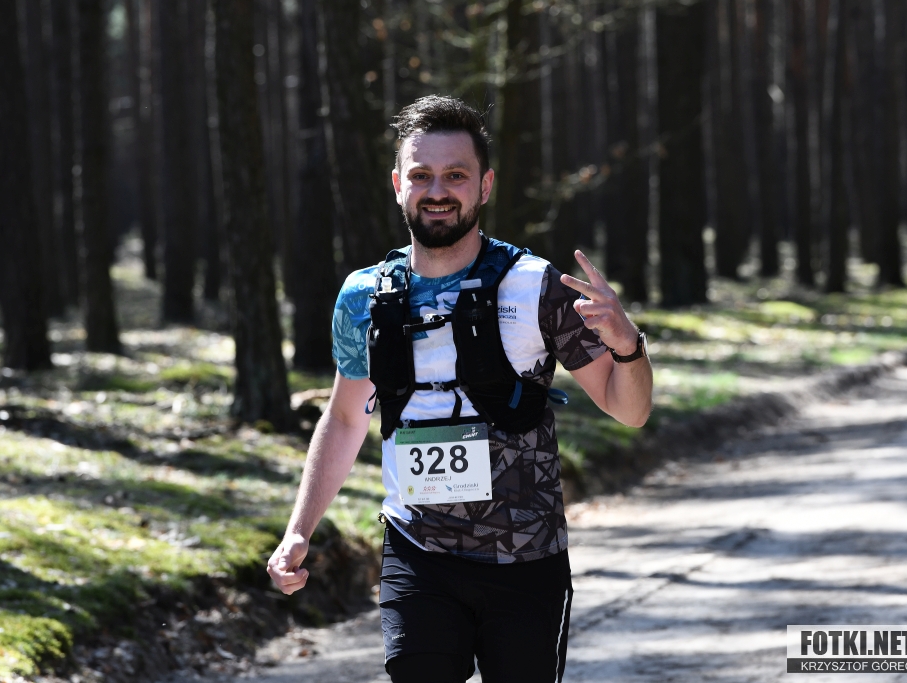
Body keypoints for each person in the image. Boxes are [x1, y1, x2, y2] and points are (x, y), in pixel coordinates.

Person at [267, 95, 653, 683]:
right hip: (416, 553)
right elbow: (345, 420)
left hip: (525, 559)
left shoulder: (535, 286)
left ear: (485, 185)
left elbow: (630, 410)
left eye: (456, 175)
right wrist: (299, 531)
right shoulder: (364, 296)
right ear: (398, 184)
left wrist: (628, 344)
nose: (437, 190)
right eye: (421, 175)